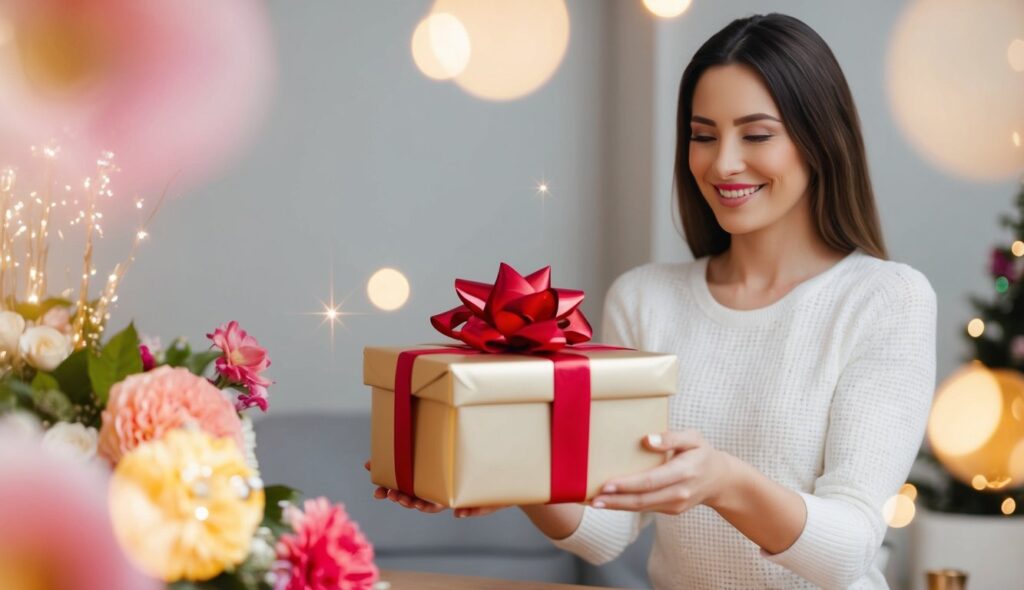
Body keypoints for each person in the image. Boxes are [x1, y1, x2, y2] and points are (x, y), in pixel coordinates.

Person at [374, 13, 936, 590]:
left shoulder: (886, 300)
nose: (723, 163)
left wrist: (725, 483)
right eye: (703, 134)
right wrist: (502, 473)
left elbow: (850, 549)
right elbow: (609, 530)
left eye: (757, 134)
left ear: (821, 139)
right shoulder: (646, 298)